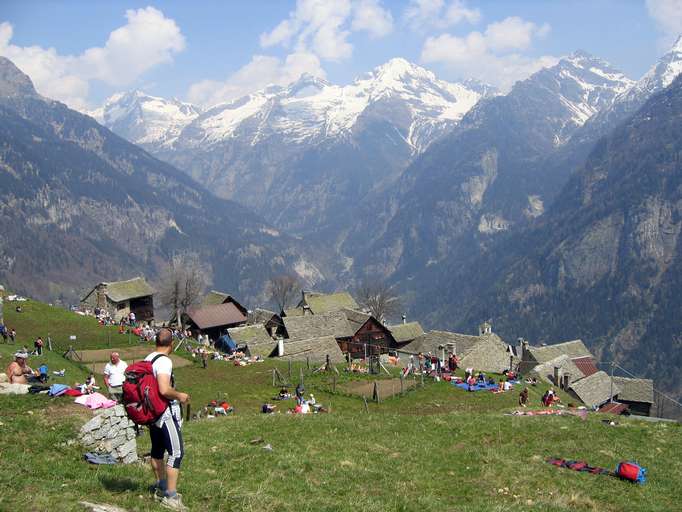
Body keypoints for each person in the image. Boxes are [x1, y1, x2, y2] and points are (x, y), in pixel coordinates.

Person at [146, 328, 190, 511]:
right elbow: (164, 389)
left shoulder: (148, 358)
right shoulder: (164, 362)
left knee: (157, 450)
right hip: (164, 412)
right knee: (176, 452)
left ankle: (160, 485)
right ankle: (171, 497)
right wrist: (179, 395)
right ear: (171, 344)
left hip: (152, 412)